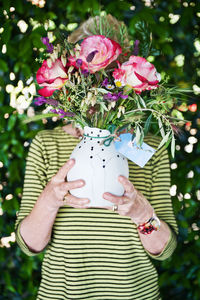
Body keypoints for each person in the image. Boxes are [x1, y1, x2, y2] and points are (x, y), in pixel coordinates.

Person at [15, 16, 178, 300]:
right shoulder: (47, 143)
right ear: (71, 76)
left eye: (109, 73)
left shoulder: (148, 147)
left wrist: (143, 215)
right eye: (88, 74)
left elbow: (164, 249)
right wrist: (50, 199)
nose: (98, 85)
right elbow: (30, 244)